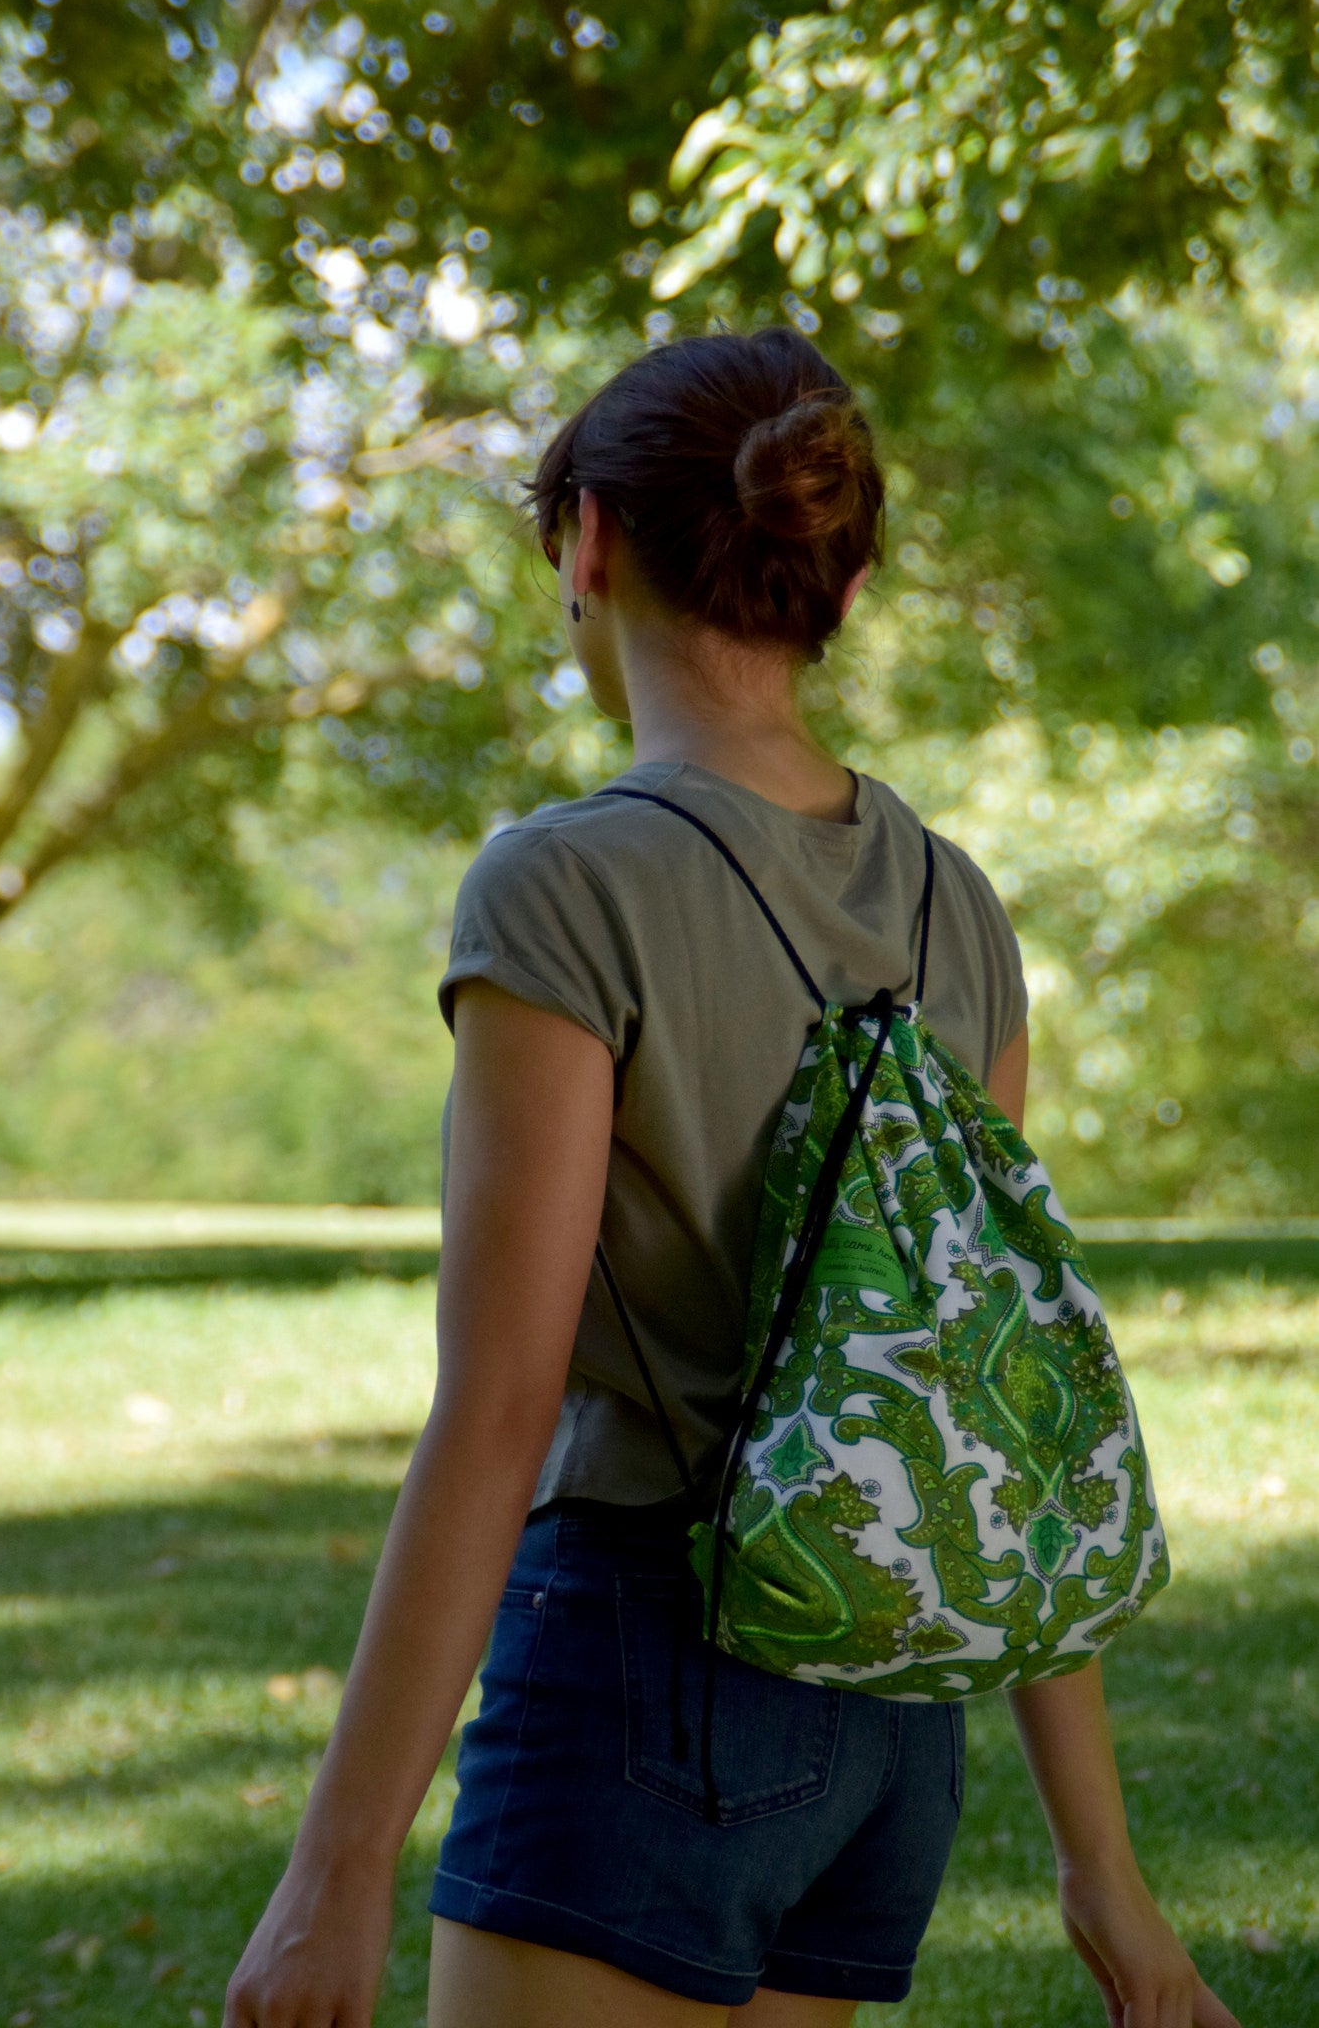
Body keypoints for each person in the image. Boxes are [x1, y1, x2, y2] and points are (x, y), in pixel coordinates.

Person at [224, 328, 1241, 2028]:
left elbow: (500, 1403)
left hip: (645, 1663)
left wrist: (332, 1885)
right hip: (882, 1716)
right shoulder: (956, 906)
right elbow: (994, 1416)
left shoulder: (564, 887)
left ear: (593, 542)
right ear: (832, 588)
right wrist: (1105, 1883)